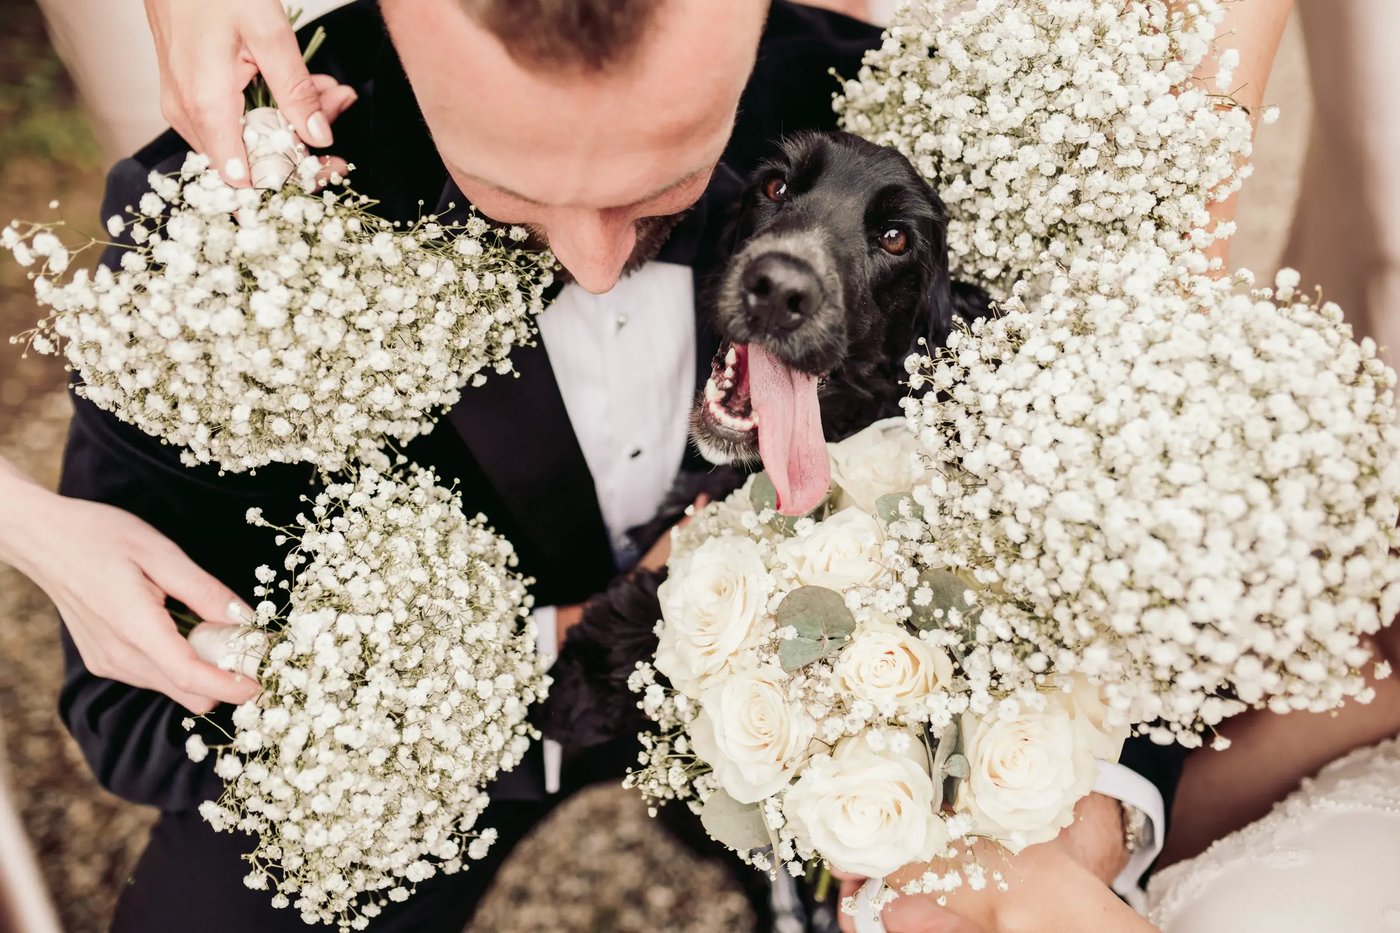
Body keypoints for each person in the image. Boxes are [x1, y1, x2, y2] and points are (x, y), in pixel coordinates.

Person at [5, 2, 1180, 930]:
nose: (594, 261)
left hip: (821, 719)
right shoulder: (224, 233)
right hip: (431, 756)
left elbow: (1100, 502)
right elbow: (132, 718)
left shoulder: (900, 118)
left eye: (657, 189)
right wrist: (557, 646)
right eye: (512, 193)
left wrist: (1064, 813)